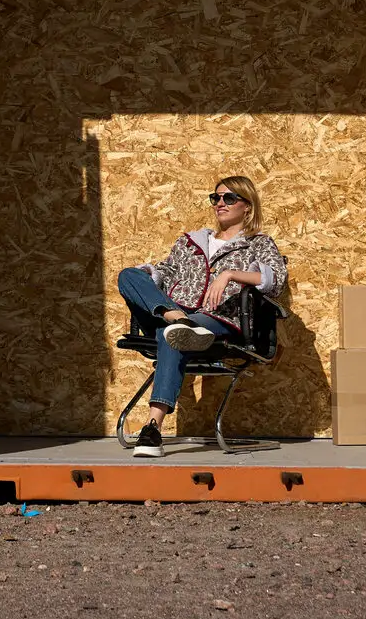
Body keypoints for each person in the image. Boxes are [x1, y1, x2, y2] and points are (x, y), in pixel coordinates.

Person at [115, 175, 288, 458]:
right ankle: (174, 317)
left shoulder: (257, 243)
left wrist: (230, 274)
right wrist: (147, 280)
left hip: (218, 320)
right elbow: (166, 272)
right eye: (216, 198)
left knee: (172, 337)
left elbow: (275, 280)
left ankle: (152, 427)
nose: (220, 203)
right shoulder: (191, 242)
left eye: (229, 198)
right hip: (172, 311)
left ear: (247, 205)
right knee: (129, 276)